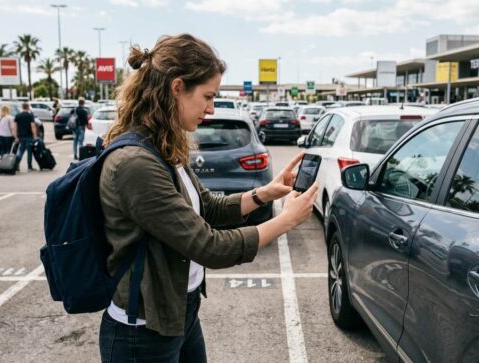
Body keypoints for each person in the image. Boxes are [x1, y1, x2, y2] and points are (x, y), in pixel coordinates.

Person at [98, 34, 317, 362]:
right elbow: (208, 246)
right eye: (207, 96)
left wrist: (263, 193)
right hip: (142, 333)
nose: (211, 108)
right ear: (176, 88)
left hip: (180, 313)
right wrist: (285, 220)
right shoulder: (135, 163)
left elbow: (208, 207)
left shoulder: (164, 146)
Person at [13, 102, 38, 172]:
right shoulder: (30, 116)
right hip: (29, 136)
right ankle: (29, 167)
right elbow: (32, 126)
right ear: (28, 107)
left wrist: (16, 136)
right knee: (29, 152)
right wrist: (35, 136)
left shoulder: (18, 116)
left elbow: (14, 127)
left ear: (22, 107)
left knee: (20, 151)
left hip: (21, 136)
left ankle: (16, 165)